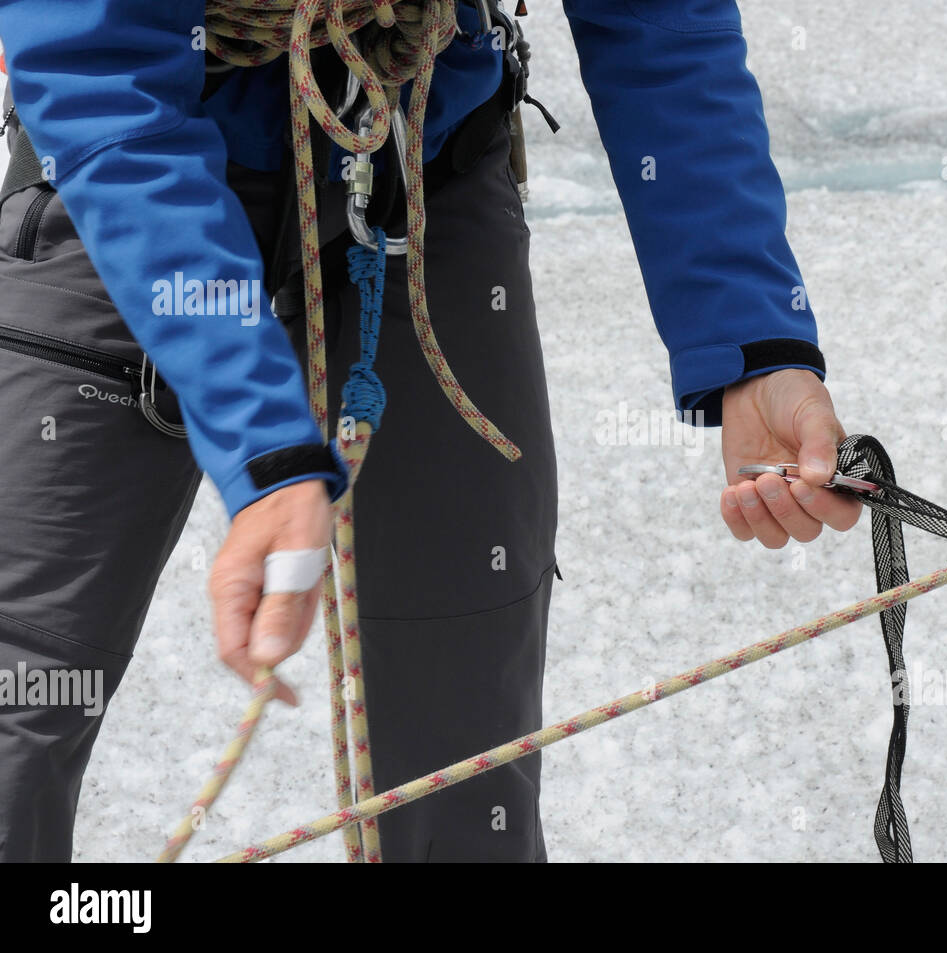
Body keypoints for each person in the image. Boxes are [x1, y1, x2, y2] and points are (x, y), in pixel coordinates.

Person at [0, 0, 860, 862]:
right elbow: (97, 58)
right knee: (15, 712)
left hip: (419, 156)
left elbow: (654, 18)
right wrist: (262, 435)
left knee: (462, 763)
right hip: (118, 164)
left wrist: (754, 339)